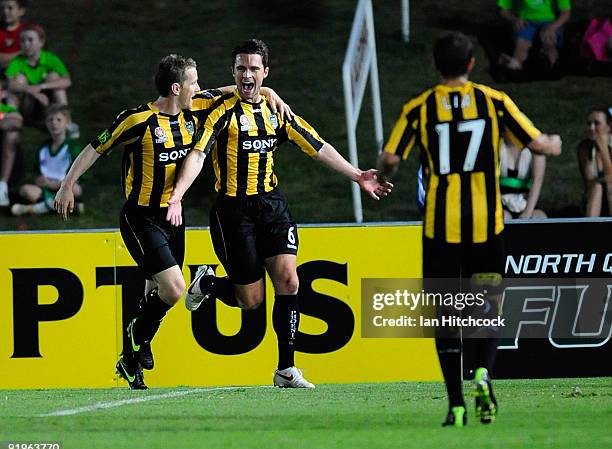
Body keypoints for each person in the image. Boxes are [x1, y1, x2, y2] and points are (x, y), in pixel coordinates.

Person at [54, 53, 293, 390]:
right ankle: (137, 336)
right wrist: (67, 184)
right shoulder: (137, 120)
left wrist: (270, 94)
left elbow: (235, 90)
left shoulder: (193, 109)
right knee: (174, 287)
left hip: (172, 218)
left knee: (156, 293)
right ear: (176, 87)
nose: (200, 88)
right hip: (141, 217)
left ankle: (131, 358)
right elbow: (96, 147)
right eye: (194, 82)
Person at [166, 39, 392, 389]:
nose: (247, 75)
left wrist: (358, 175)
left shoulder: (276, 113)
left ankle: (286, 369)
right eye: (241, 68)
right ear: (233, 72)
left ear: (265, 72)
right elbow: (196, 149)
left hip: (272, 207)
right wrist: (178, 194)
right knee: (251, 300)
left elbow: (316, 146)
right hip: (233, 212)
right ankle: (209, 283)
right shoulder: (219, 110)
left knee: (289, 280)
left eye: (255, 69)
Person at [377, 32, 561, 427]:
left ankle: (456, 405)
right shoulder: (494, 102)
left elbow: (391, 157)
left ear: (435, 66)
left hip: (440, 228)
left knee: (446, 317)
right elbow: (541, 145)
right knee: (486, 306)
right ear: (472, 65)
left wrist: (385, 169)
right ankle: (484, 373)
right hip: (486, 224)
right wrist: (556, 143)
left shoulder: (419, 107)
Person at [11, 103, 82, 216]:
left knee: (76, 189)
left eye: (59, 120)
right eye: (50, 120)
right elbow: (37, 171)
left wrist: (57, 184)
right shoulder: (43, 148)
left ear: (67, 123)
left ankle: (39, 208)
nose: (54, 123)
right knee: (25, 190)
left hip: (65, 186)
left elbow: (79, 175)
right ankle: (58, 206)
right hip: (45, 189)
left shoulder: (73, 146)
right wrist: (39, 180)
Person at [5, 24, 73, 130]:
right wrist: (34, 92)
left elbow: (67, 81)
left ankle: (67, 121)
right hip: (27, 103)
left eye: (30, 40)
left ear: (41, 42)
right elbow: (10, 84)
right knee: (18, 79)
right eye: (23, 41)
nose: (26, 44)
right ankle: (13, 116)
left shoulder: (50, 58)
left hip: (47, 103)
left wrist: (42, 86)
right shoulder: (17, 61)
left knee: (54, 77)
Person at [497, 0, 571, 72]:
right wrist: (514, 20)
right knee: (522, 44)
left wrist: (552, 27)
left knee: (549, 42)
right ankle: (516, 63)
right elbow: (504, 10)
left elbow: (566, 13)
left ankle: (553, 65)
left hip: (550, 20)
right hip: (525, 20)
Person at [577, 108, 612, 217]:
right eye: (589, 124)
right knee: (596, 187)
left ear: (609, 126)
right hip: (595, 198)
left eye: (597, 123)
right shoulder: (584, 148)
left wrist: (604, 150)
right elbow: (589, 181)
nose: (591, 128)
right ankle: (591, 230)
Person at [499, 138, 547, 219]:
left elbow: (537, 180)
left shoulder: (535, 148)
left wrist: (527, 213)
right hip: (501, 203)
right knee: (504, 218)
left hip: (526, 204)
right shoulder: (497, 145)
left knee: (539, 217)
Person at [0, 77, 21, 206]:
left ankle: (2, 187)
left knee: (12, 135)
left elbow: (16, 121)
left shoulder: (6, 108)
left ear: (4, 93)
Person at [0, 0, 27, 71]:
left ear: (21, 11)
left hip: (22, 71)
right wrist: (20, 54)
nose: (5, 12)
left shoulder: (29, 31)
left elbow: (35, 55)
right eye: (2, 8)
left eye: (10, 8)